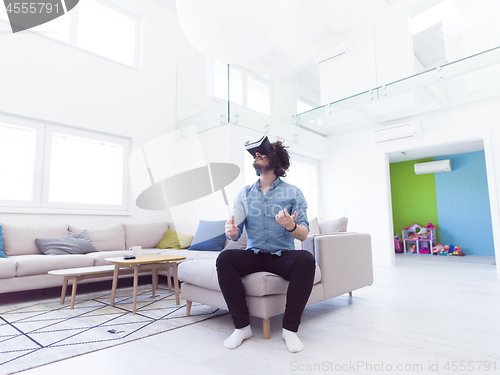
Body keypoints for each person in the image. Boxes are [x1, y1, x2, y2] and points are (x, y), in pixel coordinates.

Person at [216, 136, 315, 353]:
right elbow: (235, 232)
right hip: (255, 254)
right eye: (255, 154)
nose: (257, 155)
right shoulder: (245, 193)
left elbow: (304, 234)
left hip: (283, 256)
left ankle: (290, 330)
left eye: (262, 153)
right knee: (225, 258)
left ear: (276, 161)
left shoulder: (293, 192)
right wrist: (231, 233)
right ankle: (242, 328)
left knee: (306, 259)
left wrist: (290, 226)